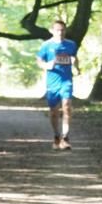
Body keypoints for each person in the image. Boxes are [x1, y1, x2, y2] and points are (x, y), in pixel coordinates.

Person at [36, 19, 80, 150]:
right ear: (52, 31)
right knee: (54, 111)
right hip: (52, 82)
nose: (60, 32)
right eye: (57, 30)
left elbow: (74, 57)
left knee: (67, 106)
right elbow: (39, 60)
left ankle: (66, 137)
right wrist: (47, 65)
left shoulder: (71, 44)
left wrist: (77, 67)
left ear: (65, 31)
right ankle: (56, 136)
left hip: (66, 80)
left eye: (62, 30)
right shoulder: (46, 45)